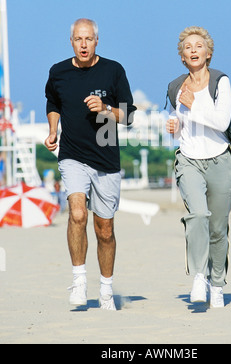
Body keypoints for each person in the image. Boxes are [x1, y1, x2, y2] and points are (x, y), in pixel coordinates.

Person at [45, 18, 136, 310]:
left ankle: (106, 289)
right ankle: (79, 280)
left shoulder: (113, 70)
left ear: (97, 40)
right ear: (71, 41)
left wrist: (107, 109)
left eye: (89, 39)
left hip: (106, 158)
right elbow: (52, 102)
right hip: (72, 155)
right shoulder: (58, 72)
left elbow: (130, 115)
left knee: (104, 229)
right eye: (78, 39)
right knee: (77, 213)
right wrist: (52, 131)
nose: (83, 45)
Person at [166, 26, 231, 309]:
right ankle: (199, 275)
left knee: (218, 229)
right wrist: (174, 126)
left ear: (208, 53)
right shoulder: (176, 87)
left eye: (199, 45)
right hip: (188, 160)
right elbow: (182, 126)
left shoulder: (220, 82)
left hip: (220, 160)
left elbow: (221, 122)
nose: (194, 50)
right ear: (183, 57)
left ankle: (217, 284)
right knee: (198, 214)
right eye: (188, 47)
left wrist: (193, 103)